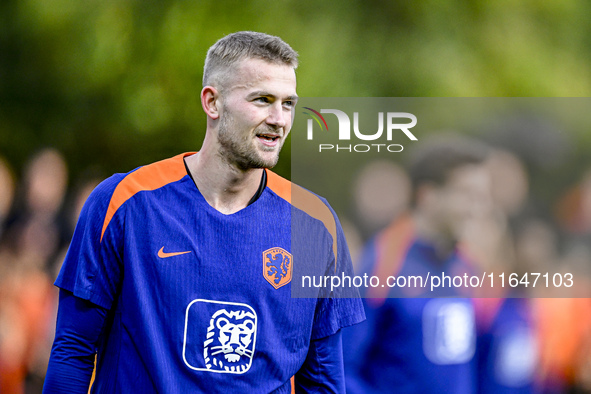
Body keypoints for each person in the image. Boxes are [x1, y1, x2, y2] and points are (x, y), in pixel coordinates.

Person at [43, 31, 365, 393]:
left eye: (288, 104)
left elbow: (323, 380)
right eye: (263, 100)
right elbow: (73, 351)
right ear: (212, 102)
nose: (279, 119)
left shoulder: (315, 224)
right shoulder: (124, 203)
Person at [343, 136, 492, 393]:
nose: (478, 209)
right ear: (428, 196)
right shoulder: (382, 264)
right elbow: (343, 369)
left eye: (482, 197)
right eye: (468, 195)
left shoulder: (467, 264)